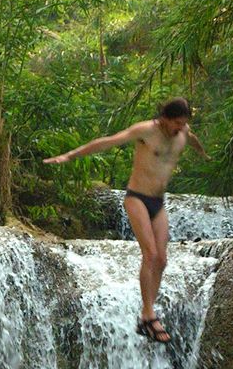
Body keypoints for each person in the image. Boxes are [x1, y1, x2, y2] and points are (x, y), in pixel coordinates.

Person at [44, 97, 208, 343]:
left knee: (162, 260)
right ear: (164, 118)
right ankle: (148, 314)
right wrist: (70, 155)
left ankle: (147, 316)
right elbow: (107, 142)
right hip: (137, 198)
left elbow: (192, 139)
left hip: (158, 202)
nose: (179, 128)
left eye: (183, 124)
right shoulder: (145, 131)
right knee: (150, 254)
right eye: (176, 123)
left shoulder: (182, 131)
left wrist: (202, 152)